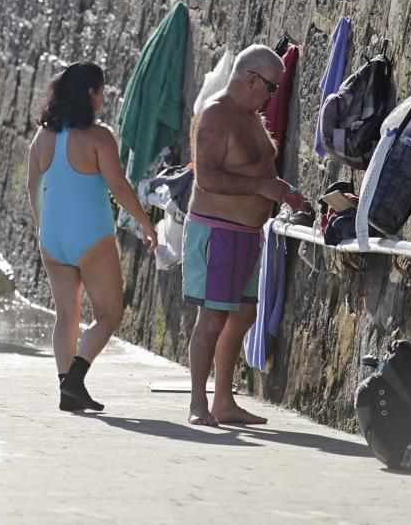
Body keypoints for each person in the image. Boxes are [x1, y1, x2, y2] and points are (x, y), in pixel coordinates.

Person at [184, 44, 306, 426]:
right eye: (271, 88)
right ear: (252, 79)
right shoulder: (217, 114)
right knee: (213, 318)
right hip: (218, 232)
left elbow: (255, 172)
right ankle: (197, 404)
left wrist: (279, 190)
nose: (272, 97)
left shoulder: (249, 115)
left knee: (244, 314)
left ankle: (223, 401)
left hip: (247, 235)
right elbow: (207, 178)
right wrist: (261, 189)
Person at [26, 62, 157, 411]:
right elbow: (118, 186)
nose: (104, 97)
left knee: (66, 316)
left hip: (52, 238)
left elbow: (32, 186)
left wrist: (43, 226)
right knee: (110, 314)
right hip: (91, 236)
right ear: (89, 93)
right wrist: (145, 222)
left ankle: (66, 390)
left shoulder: (43, 135)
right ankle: (75, 380)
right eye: (101, 90)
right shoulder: (100, 137)